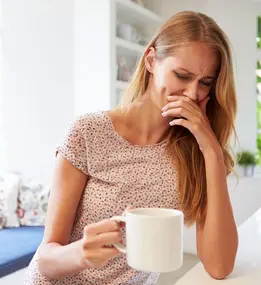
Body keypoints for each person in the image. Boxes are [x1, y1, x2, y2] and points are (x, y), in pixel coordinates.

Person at [24, 11, 238, 285]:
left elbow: (219, 266)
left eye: (205, 83)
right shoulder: (88, 132)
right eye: (182, 76)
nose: (192, 93)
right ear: (151, 60)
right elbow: (46, 259)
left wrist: (212, 151)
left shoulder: (196, 153)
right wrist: (81, 254)